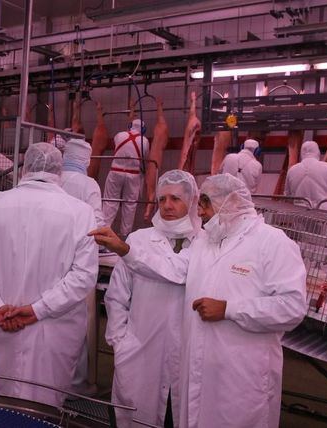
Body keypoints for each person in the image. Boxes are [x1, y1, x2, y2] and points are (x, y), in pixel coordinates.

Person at [91, 174, 307, 428]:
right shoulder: (206, 242)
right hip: (201, 371)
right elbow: (170, 267)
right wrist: (125, 250)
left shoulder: (272, 242)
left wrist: (230, 309)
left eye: (205, 203)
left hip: (243, 373)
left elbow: (292, 307)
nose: (200, 212)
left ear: (231, 202)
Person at [0, 143, 98, 406]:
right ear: (58, 171)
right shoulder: (80, 213)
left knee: (4, 403)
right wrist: (38, 309)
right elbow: (82, 277)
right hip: (53, 330)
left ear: (25, 168)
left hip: (4, 321)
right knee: (45, 406)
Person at [105, 169, 201, 427]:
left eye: (175, 199)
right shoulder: (139, 239)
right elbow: (116, 297)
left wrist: (126, 251)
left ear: (191, 201)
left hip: (185, 352)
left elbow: (179, 272)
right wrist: (120, 341)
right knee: (136, 414)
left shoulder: (204, 245)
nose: (167, 205)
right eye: (162, 199)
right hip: (139, 348)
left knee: (175, 414)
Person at [60, 137, 104, 397]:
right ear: (86, 159)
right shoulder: (88, 184)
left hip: (50, 259)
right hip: (79, 261)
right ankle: (76, 386)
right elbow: (96, 223)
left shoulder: (53, 179)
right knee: (79, 323)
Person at [102, 119, 150, 238]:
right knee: (130, 205)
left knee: (110, 201)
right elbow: (144, 158)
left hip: (116, 171)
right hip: (133, 175)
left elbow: (116, 146)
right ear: (143, 130)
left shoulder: (120, 135)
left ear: (130, 126)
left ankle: (104, 230)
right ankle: (124, 235)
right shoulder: (145, 141)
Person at [285, 140, 327, 211]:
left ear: (301, 153)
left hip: (300, 213)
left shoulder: (292, 170)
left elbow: (287, 196)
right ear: (317, 152)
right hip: (323, 213)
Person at [61, 138, 105, 227]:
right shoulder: (89, 184)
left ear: (64, 156)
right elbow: (97, 221)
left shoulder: (52, 178)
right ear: (88, 161)